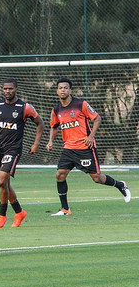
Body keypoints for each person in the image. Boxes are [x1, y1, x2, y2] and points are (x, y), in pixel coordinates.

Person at [46, 77, 130, 215]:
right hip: (68, 148)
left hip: (85, 147)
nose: (63, 90)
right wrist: (50, 141)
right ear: (57, 91)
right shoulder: (56, 109)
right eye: (60, 88)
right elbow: (54, 127)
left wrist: (91, 137)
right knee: (60, 175)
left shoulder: (81, 104)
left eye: (65, 88)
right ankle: (65, 209)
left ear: (70, 90)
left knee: (97, 178)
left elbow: (97, 118)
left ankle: (121, 185)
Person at [0, 78, 44, 228]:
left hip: (13, 149)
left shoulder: (24, 107)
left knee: (1, 180)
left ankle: (2, 215)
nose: (7, 91)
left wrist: (36, 143)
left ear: (16, 89)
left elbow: (40, 123)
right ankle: (19, 212)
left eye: (10, 88)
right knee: (4, 183)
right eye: (5, 88)